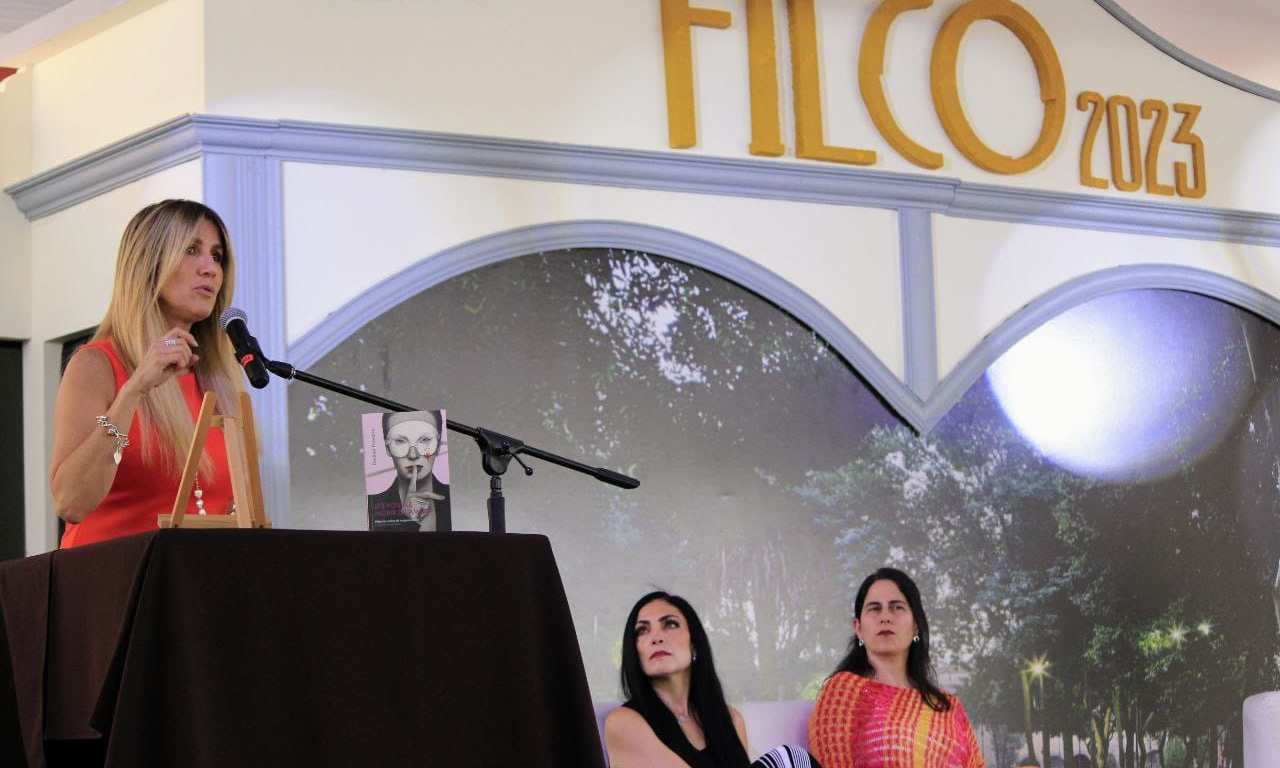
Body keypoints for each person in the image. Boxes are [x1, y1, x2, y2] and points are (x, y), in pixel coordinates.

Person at [50, 200, 245, 547]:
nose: (211, 269)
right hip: (110, 575)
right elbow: (72, 501)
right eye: (191, 250)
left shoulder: (218, 382)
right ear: (149, 263)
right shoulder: (96, 365)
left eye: (217, 256)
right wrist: (133, 391)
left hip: (191, 575)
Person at [808, 568, 984, 768]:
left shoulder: (948, 707)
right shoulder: (842, 694)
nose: (885, 617)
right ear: (858, 628)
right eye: (874, 608)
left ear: (915, 625)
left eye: (897, 607)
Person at [605, 591, 751, 768]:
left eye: (670, 624)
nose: (656, 638)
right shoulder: (623, 723)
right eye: (642, 630)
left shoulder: (732, 720)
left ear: (694, 644)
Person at [366, 410, 451, 532]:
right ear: (387, 448)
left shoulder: (458, 500)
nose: (413, 455)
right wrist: (407, 521)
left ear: (438, 446)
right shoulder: (373, 505)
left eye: (425, 440)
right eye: (400, 441)